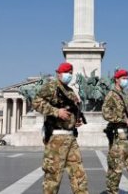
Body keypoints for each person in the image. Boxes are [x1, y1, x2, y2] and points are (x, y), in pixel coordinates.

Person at [32, 62, 89, 194]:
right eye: (66, 72)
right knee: (53, 178)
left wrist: (75, 121)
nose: (69, 75)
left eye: (70, 73)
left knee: (79, 176)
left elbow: (72, 111)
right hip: (56, 139)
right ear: (58, 74)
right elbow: (36, 102)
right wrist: (56, 112)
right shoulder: (51, 86)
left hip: (71, 138)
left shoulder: (70, 92)